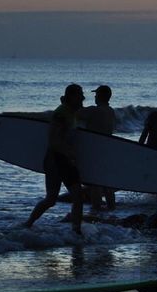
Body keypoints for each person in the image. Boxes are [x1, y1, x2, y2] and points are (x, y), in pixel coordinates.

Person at [24, 83, 86, 235]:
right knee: (54, 199)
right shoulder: (61, 113)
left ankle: (76, 231)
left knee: (76, 196)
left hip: (62, 160)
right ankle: (28, 224)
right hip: (57, 160)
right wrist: (69, 155)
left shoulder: (71, 113)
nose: (83, 98)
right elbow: (53, 140)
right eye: (80, 95)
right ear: (71, 97)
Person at [82, 85, 118, 211]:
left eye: (96, 95)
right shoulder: (111, 111)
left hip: (94, 149)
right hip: (107, 149)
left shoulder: (94, 110)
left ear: (100, 96)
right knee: (106, 182)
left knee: (95, 182)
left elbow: (77, 113)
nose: (95, 97)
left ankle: (96, 207)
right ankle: (111, 207)